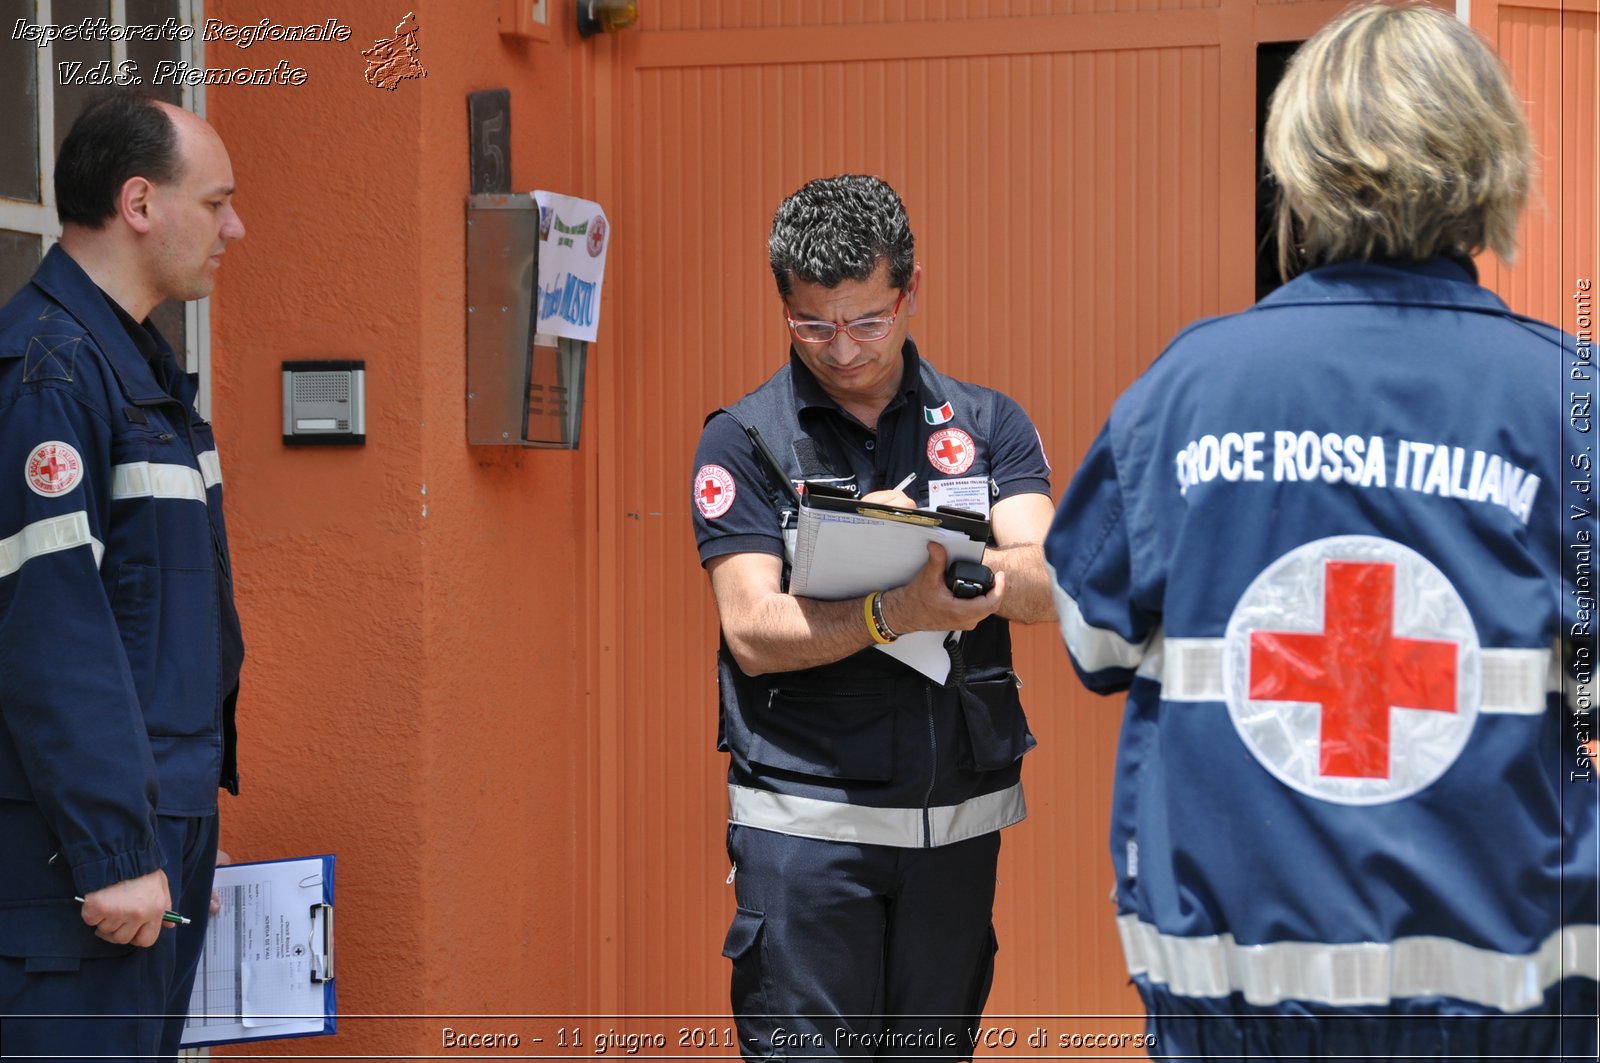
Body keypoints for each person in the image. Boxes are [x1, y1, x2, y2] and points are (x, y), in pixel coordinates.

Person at [1043, 4, 1597, 1058]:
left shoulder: (1188, 392)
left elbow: (1093, 637)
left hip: (1235, 1020)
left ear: (1297, 165)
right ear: (1489, 163)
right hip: (1508, 1023)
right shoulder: (1566, 404)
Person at [692, 174, 1057, 1060]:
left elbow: (1050, 578)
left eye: (866, 319)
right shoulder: (744, 440)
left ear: (910, 290)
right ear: (784, 304)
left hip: (956, 838)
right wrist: (894, 608)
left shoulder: (984, 423)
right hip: (805, 838)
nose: (843, 348)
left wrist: (946, 559)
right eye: (813, 324)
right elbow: (751, 627)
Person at [0, 91, 246, 1059]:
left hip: (147, 846)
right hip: (76, 873)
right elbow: (49, 625)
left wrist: (181, 830)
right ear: (139, 203)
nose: (236, 226)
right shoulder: (50, 374)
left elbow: (177, 632)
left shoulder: (143, 374)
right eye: (217, 201)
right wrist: (118, 849)